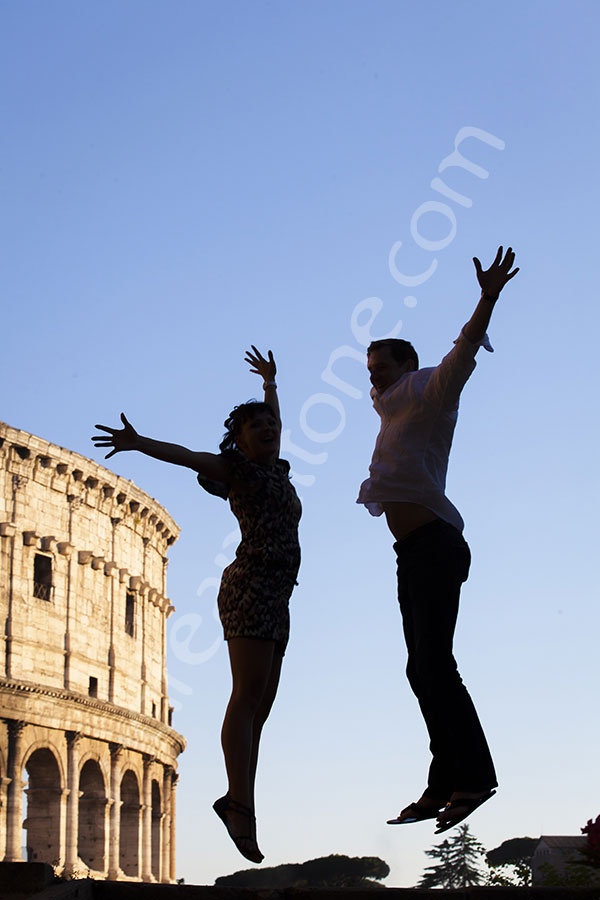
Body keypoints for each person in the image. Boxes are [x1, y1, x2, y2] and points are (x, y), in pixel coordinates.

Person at [92, 346, 301, 863]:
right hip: (250, 586)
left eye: (269, 424)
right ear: (239, 441)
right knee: (247, 697)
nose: (267, 429)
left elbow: (277, 421)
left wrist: (272, 385)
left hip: (279, 593)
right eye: (254, 427)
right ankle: (240, 805)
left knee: (263, 706)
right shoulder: (240, 472)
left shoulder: (278, 471)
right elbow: (187, 456)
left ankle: (239, 802)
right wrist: (139, 443)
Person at [357, 247, 518, 833]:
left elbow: (464, 352)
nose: (371, 379)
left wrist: (488, 297)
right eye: (368, 370)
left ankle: (473, 778)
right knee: (420, 668)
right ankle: (443, 782)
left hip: (436, 546)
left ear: (406, 365)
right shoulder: (391, 412)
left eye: (380, 369)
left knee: (434, 664)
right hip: (413, 552)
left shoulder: (429, 391)